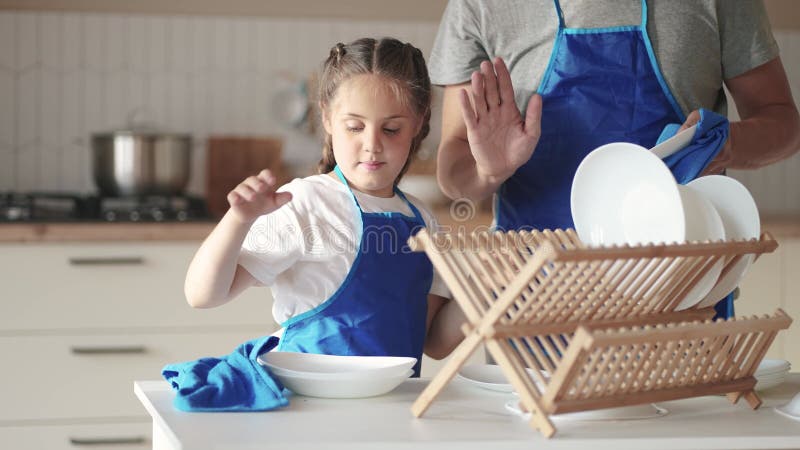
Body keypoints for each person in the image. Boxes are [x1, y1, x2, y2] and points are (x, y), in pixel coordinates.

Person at [184, 37, 466, 377]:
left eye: (391, 129)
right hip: (309, 404)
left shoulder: (422, 220)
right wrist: (238, 220)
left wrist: (485, 292)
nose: (372, 145)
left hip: (392, 407)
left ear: (419, 123)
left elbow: (432, 343)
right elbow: (203, 294)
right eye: (355, 127)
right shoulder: (307, 203)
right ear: (328, 119)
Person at [430, 0, 800, 233]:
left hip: (682, 290)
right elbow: (455, 173)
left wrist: (720, 146)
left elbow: (783, 123)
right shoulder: (479, 6)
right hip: (531, 296)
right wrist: (488, 171)